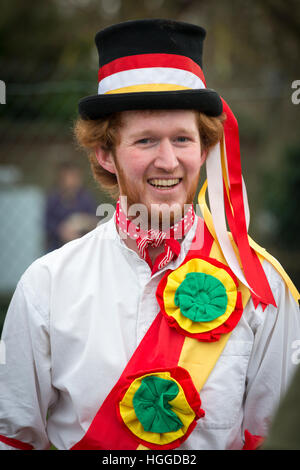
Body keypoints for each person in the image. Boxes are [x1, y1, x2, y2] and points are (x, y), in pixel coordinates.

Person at [0, 19, 299, 451]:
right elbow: (12, 436)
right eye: (145, 141)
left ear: (205, 148)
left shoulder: (262, 285)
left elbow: (277, 437)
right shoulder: (46, 285)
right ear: (105, 154)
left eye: (182, 139)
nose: (168, 160)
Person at [45, 161, 98, 252]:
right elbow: (48, 223)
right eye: (70, 177)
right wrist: (62, 231)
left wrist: (82, 222)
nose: (74, 180)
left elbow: (94, 220)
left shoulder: (85, 198)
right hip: (58, 245)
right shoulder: (54, 199)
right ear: (61, 179)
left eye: (76, 177)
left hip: (82, 242)